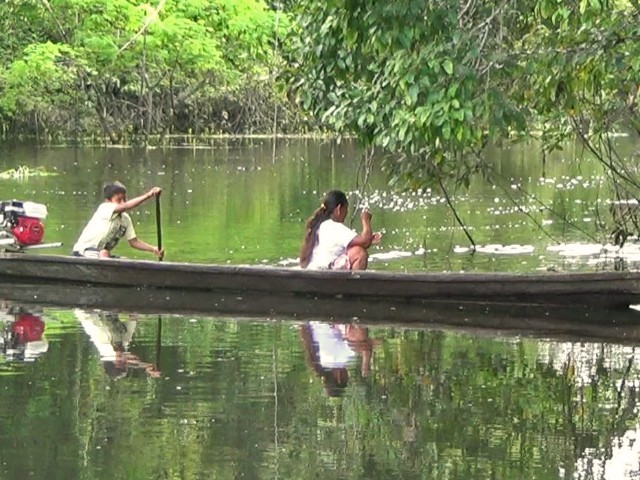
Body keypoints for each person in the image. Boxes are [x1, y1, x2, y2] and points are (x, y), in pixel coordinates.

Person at [72, 182, 164, 259]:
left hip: (100, 255)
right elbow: (126, 206)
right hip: (83, 252)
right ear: (108, 201)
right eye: (119, 200)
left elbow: (134, 242)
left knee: (125, 261)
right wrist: (149, 195)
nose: (123, 202)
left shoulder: (125, 219)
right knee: (104, 253)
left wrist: (154, 249)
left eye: (124, 199)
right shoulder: (105, 208)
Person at [299, 189, 382, 270]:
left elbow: (357, 243)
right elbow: (365, 242)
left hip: (316, 269)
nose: (346, 212)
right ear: (339, 209)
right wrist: (365, 220)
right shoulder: (334, 227)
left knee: (355, 248)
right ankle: (354, 284)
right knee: (360, 253)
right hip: (324, 272)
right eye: (346, 209)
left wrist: (369, 239)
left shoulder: (321, 226)